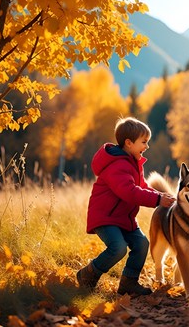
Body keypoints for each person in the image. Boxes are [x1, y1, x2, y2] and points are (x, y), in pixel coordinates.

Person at [77, 117, 175, 295]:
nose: (147, 147)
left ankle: (129, 282)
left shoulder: (133, 163)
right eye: (144, 142)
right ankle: (88, 274)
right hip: (106, 218)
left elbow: (141, 186)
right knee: (118, 248)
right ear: (129, 143)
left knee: (141, 244)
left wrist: (160, 195)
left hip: (124, 219)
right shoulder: (117, 165)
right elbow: (129, 192)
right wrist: (157, 200)